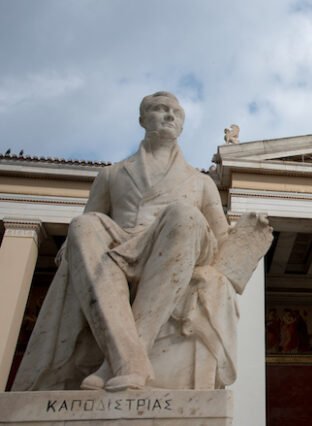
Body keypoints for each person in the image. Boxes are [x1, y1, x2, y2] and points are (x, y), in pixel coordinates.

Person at [13, 92, 269, 392]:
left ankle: (124, 358)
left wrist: (248, 236)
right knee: (82, 226)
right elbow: (90, 224)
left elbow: (221, 237)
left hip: (179, 242)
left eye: (177, 112)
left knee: (183, 215)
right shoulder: (111, 175)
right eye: (160, 109)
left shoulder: (201, 183)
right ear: (142, 119)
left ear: (183, 125)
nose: (170, 116)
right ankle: (129, 359)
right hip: (122, 247)